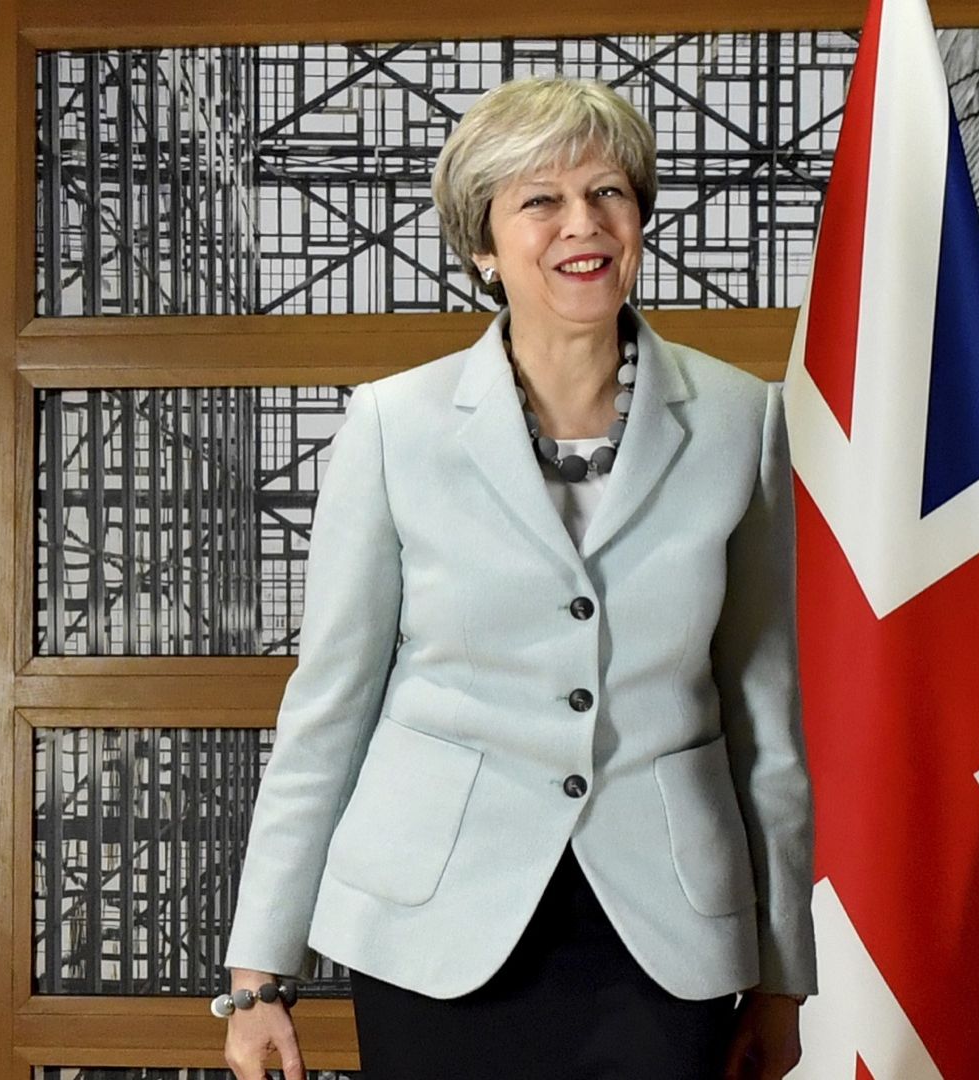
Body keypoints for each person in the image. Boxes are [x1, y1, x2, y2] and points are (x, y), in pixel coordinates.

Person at [216, 76, 815, 1080]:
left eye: (609, 192)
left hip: (666, 931)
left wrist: (784, 972)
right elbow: (330, 704)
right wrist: (258, 970)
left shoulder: (739, 420)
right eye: (540, 200)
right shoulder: (393, 426)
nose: (583, 224)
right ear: (484, 247)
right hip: (438, 927)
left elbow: (766, 716)